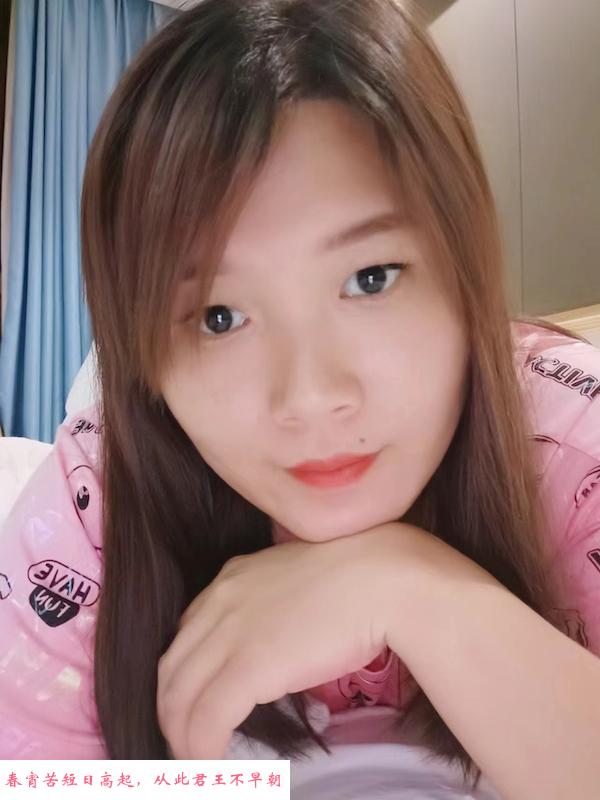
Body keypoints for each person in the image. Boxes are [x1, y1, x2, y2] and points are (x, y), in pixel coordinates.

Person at [1, 0, 599, 796]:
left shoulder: (572, 442)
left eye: (370, 278)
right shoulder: (94, 508)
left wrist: (414, 593)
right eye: (219, 317)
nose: (310, 398)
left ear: (467, 271)